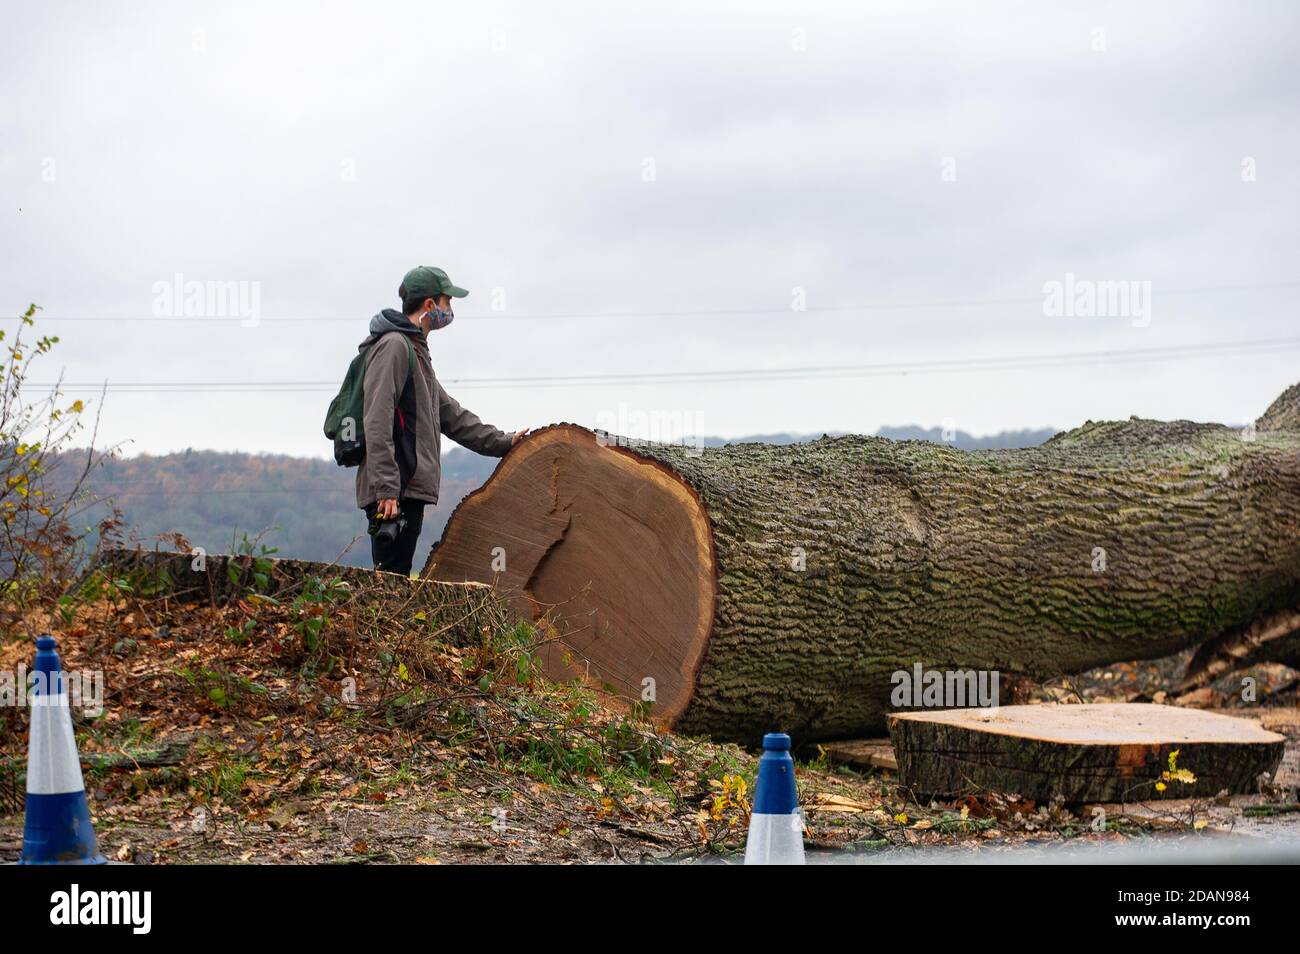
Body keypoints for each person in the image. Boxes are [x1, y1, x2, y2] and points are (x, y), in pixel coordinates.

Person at [355, 265, 526, 574]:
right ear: (430, 305)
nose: (450, 309)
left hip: (407, 490)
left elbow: (451, 415)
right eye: (448, 301)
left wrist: (504, 441)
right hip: (396, 493)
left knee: (397, 576)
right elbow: (376, 420)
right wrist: (386, 489)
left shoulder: (416, 351)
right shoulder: (395, 346)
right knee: (391, 581)